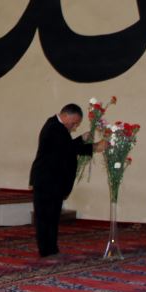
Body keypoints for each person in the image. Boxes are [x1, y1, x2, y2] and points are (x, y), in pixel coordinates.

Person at [29, 103, 105, 257]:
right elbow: (67, 149)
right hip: (46, 179)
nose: (75, 126)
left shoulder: (57, 126)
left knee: (52, 216)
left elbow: (65, 147)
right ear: (65, 116)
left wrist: (82, 139)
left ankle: (51, 249)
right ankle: (46, 250)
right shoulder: (54, 127)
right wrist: (94, 147)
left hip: (52, 180)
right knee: (45, 217)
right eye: (74, 122)